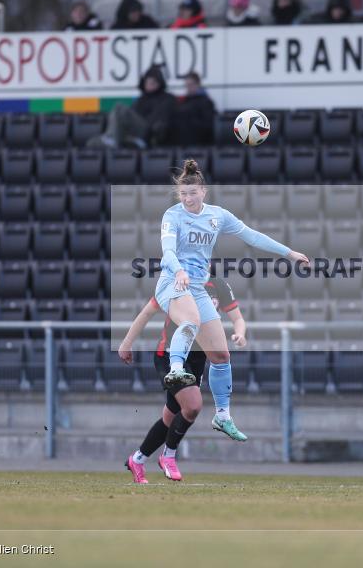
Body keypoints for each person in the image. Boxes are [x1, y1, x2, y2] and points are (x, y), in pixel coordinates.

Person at [154, 159, 308, 396]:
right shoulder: (172, 215)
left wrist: (289, 253)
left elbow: (253, 237)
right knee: (191, 320)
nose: (187, 199)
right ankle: (175, 369)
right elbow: (168, 251)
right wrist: (179, 271)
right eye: (183, 194)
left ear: (203, 191)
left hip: (197, 286)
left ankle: (223, 416)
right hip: (172, 281)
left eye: (192, 193)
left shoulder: (218, 216)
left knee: (221, 354)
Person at [119, 277, 248, 483]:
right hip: (170, 355)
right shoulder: (176, 282)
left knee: (170, 418)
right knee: (193, 406)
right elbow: (147, 312)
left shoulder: (219, 285)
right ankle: (168, 456)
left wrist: (240, 334)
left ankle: (137, 459)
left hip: (198, 359)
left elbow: (238, 318)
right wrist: (126, 343)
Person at [133, 64, 178, 147]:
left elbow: (161, 118)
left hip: (150, 131)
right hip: (136, 130)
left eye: (153, 82)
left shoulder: (167, 99)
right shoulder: (140, 101)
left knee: (120, 109)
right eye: (147, 82)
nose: (150, 85)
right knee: (119, 110)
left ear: (159, 83)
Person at [173, 71, 216, 146]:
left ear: (198, 84)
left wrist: (189, 119)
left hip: (200, 144)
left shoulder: (206, 102)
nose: (189, 87)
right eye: (187, 85)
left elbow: (208, 126)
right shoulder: (183, 102)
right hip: (183, 143)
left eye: (191, 84)